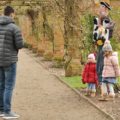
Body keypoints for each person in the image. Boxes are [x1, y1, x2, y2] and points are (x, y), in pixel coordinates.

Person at [0, 6, 23, 119]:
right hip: (10, 60)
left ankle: (1, 109)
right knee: (9, 86)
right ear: (12, 14)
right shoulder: (14, 28)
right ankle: (7, 112)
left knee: (1, 85)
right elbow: (19, 45)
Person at [93, 1, 115, 84]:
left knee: (102, 61)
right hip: (99, 43)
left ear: (105, 9)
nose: (99, 8)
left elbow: (108, 31)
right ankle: (100, 81)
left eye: (101, 7)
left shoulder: (106, 19)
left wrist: (102, 28)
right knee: (99, 60)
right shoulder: (99, 19)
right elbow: (96, 32)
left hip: (104, 44)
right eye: (100, 7)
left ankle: (102, 81)